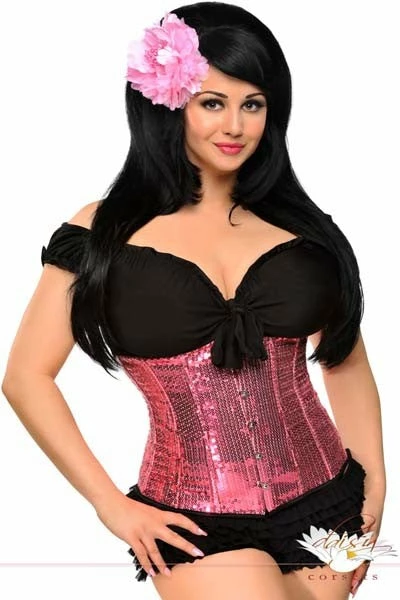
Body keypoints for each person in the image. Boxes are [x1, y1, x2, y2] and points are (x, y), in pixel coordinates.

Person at [2, 2, 386, 599]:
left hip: (330, 501)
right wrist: (112, 506)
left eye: (252, 104)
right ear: (168, 103)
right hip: (192, 518)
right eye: (212, 103)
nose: (234, 126)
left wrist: (375, 487)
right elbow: (26, 377)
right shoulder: (102, 234)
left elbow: (344, 359)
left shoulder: (303, 232)